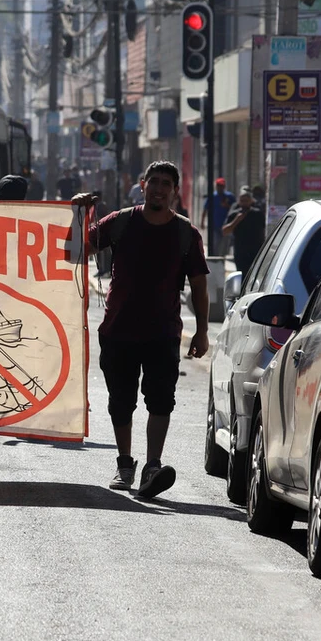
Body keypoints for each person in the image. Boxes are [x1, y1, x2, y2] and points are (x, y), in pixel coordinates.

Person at [73, 161, 209, 499]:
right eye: (154, 182)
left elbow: (200, 287)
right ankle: (124, 464)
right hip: (118, 330)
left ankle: (152, 466)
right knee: (121, 403)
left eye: (166, 184)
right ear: (142, 184)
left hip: (163, 333)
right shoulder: (120, 222)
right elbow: (74, 252)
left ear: (175, 191)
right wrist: (79, 215)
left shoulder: (185, 233)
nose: (159, 189)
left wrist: (202, 331)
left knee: (161, 400)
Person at [222, 186, 266, 272]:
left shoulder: (257, 214)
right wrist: (236, 220)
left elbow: (263, 230)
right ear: (239, 202)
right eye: (242, 201)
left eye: (246, 201)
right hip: (240, 251)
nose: (244, 203)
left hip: (255, 251)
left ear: (251, 201)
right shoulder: (234, 214)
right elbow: (225, 231)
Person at [200, 177, 234, 253]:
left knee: (225, 246)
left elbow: (235, 209)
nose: (220, 188)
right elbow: (205, 209)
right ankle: (216, 259)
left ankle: (222, 258)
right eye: (218, 185)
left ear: (224, 186)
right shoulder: (212, 197)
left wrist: (227, 206)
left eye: (221, 186)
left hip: (226, 225)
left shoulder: (229, 197)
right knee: (215, 245)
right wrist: (202, 222)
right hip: (215, 226)